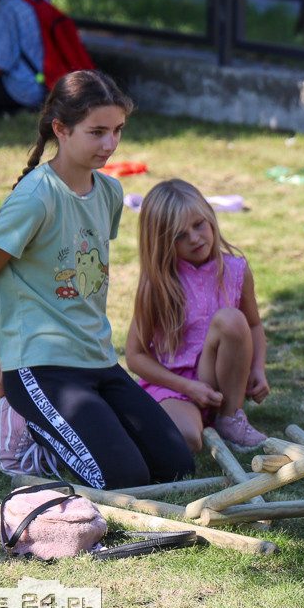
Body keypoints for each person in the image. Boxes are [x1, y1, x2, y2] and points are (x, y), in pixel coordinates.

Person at [0, 70, 194, 490]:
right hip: (39, 366)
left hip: (98, 361)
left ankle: (73, 427)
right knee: (121, 479)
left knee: (177, 466)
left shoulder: (110, 192)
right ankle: (29, 428)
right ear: (61, 130)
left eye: (117, 130)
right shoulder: (34, 197)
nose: (110, 144)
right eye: (97, 132)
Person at [125, 179, 271, 455]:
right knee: (186, 440)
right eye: (179, 235)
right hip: (174, 384)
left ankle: (229, 417)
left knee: (231, 319)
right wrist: (187, 387)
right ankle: (187, 419)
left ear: (211, 218)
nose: (194, 238)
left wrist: (257, 369)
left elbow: (252, 324)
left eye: (198, 225)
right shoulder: (157, 285)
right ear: (161, 242)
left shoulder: (236, 269)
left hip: (218, 380)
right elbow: (135, 356)